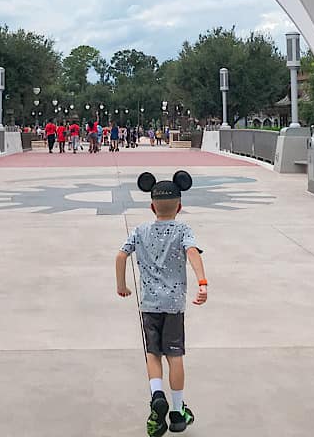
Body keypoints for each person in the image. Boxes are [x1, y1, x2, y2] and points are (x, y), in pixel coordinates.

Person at [116, 170, 206, 435]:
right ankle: (178, 412)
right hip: (174, 305)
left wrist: (121, 285)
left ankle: (157, 397)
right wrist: (202, 283)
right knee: (175, 356)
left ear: (151, 205)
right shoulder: (183, 229)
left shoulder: (141, 230)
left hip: (150, 305)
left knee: (153, 353)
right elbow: (192, 252)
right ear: (180, 206)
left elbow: (121, 256)